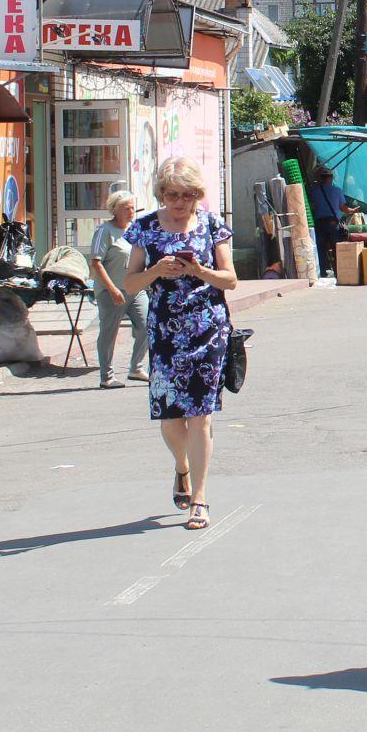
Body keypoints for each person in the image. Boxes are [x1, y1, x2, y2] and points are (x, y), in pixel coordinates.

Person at [122, 156, 238, 532]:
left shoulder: (211, 225)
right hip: (166, 332)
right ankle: (181, 466)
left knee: (200, 416)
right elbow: (130, 284)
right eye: (172, 195)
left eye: (187, 195)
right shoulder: (144, 229)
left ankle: (200, 499)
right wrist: (157, 270)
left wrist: (198, 270)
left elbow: (230, 280)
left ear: (197, 196)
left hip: (207, 327)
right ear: (161, 194)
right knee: (172, 418)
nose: (180, 202)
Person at [90, 191, 150, 389]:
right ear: (114, 209)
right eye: (126, 208)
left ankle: (136, 367)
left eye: (133, 208)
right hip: (111, 291)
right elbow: (96, 264)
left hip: (136, 289)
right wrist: (112, 289)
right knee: (109, 332)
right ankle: (106, 376)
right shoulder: (104, 231)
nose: (131, 212)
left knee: (147, 325)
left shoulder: (135, 230)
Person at [310, 167, 347, 278]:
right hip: (332, 223)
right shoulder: (337, 190)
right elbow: (343, 207)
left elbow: (313, 206)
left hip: (319, 224)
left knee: (321, 249)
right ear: (330, 178)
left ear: (321, 178)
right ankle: (338, 272)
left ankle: (322, 272)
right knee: (336, 248)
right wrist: (352, 210)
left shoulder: (314, 191)